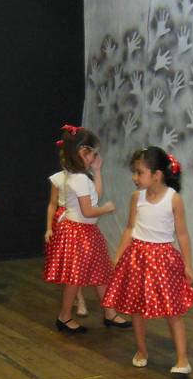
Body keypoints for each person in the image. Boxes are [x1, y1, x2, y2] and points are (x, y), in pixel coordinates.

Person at [103, 146, 193, 377]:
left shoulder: (173, 199)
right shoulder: (137, 197)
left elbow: (182, 234)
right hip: (137, 259)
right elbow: (130, 228)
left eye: (139, 172)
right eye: (134, 172)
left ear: (156, 175)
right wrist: (118, 255)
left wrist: (188, 264)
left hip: (164, 260)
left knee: (172, 310)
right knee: (136, 308)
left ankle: (182, 358)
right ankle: (142, 350)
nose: (134, 177)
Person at [42, 124, 129, 333]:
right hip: (79, 232)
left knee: (100, 272)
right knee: (75, 279)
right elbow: (89, 211)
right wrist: (106, 209)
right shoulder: (79, 178)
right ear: (81, 152)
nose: (94, 157)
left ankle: (109, 313)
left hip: (84, 231)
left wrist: (97, 171)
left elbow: (95, 195)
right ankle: (64, 316)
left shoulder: (79, 176)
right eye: (92, 153)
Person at [44, 169, 88, 317]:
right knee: (71, 263)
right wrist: (49, 228)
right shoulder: (57, 178)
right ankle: (79, 299)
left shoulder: (83, 177)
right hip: (63, 221)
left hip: (80, 220)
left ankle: (77, 297)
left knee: (77, 263)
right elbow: (52, 204)